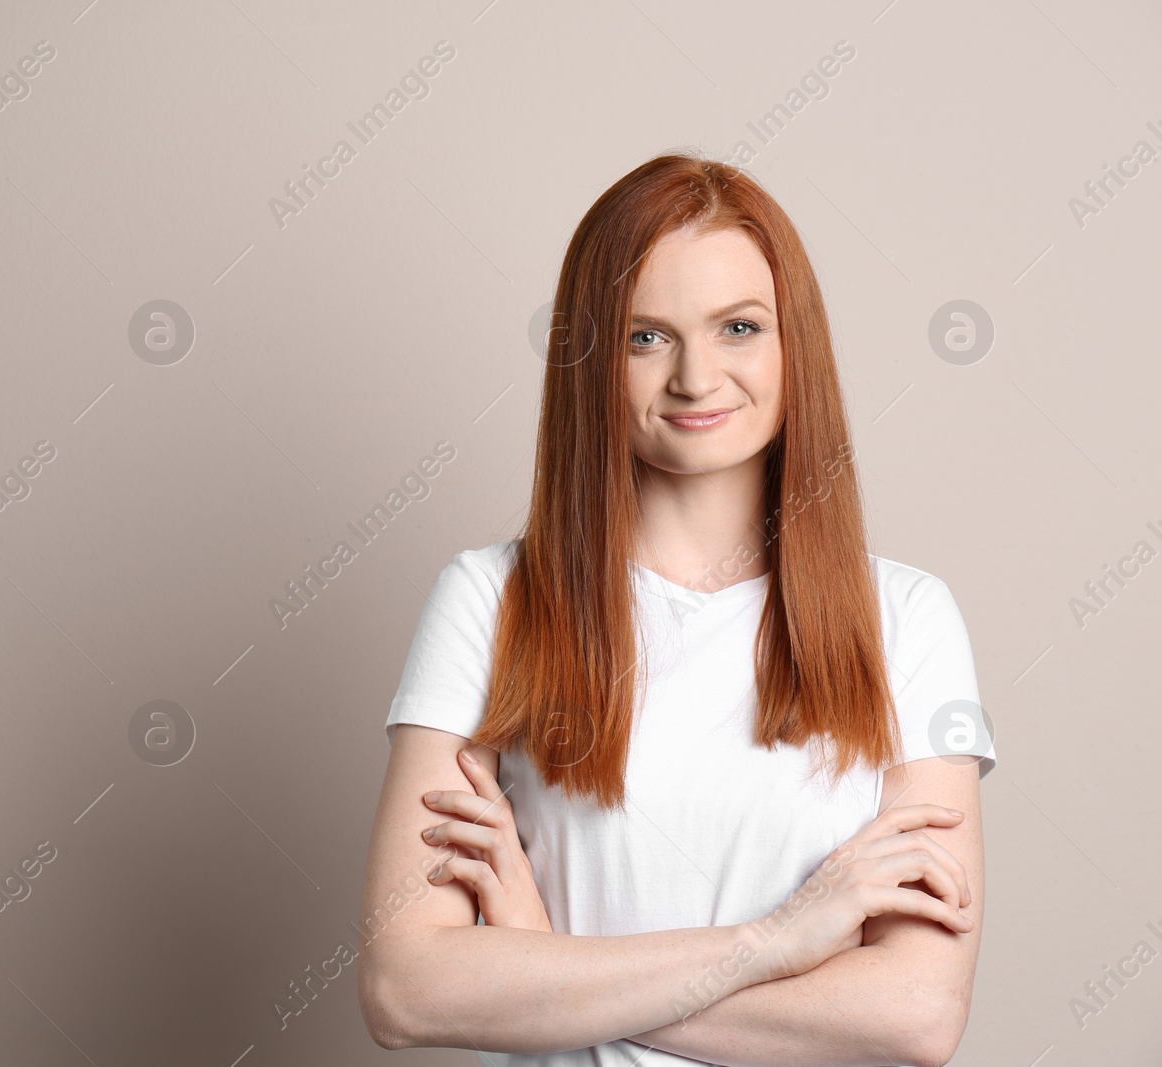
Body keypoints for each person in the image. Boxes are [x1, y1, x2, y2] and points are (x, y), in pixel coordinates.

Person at [356, 151, 997, 1067]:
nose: (697, 377)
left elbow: (914, 1015)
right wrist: (775, 941)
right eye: (645, 337)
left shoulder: (908, 621)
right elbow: (405, 990)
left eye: (738, 326)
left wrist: (546, 971)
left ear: (793, 345)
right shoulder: (489, 601)